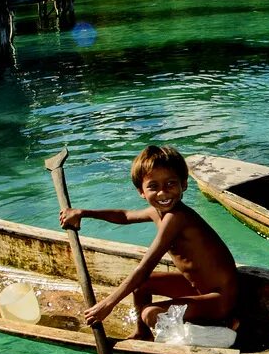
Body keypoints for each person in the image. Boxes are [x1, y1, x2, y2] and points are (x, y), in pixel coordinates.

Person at [60, 144, 239, 336]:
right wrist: (83, 213)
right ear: (141, 191)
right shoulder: (158, 212)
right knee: (142, 285)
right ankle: (142, 334)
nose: (163, 193)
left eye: (171, 184)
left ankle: (221, 326)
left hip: (220, 300)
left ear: (184, 184)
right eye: (154, 187)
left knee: (150, 313)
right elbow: (125, 215)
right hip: (200, 290)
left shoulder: (176, 218)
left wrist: (108, 303)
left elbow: (145, 268)